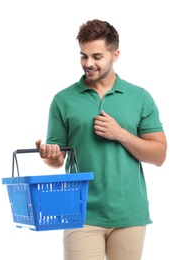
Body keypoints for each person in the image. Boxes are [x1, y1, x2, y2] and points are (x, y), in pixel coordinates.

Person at [36, 19, 167, 260]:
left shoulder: (139, 97)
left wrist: (121, 134)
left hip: (129, 213)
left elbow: (159, 156)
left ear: (115, 54)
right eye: (83, 56)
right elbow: (58, 160)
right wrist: (50, 156)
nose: (89, 63)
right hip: (80, 212)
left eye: (97, 56)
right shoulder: (63, 100)